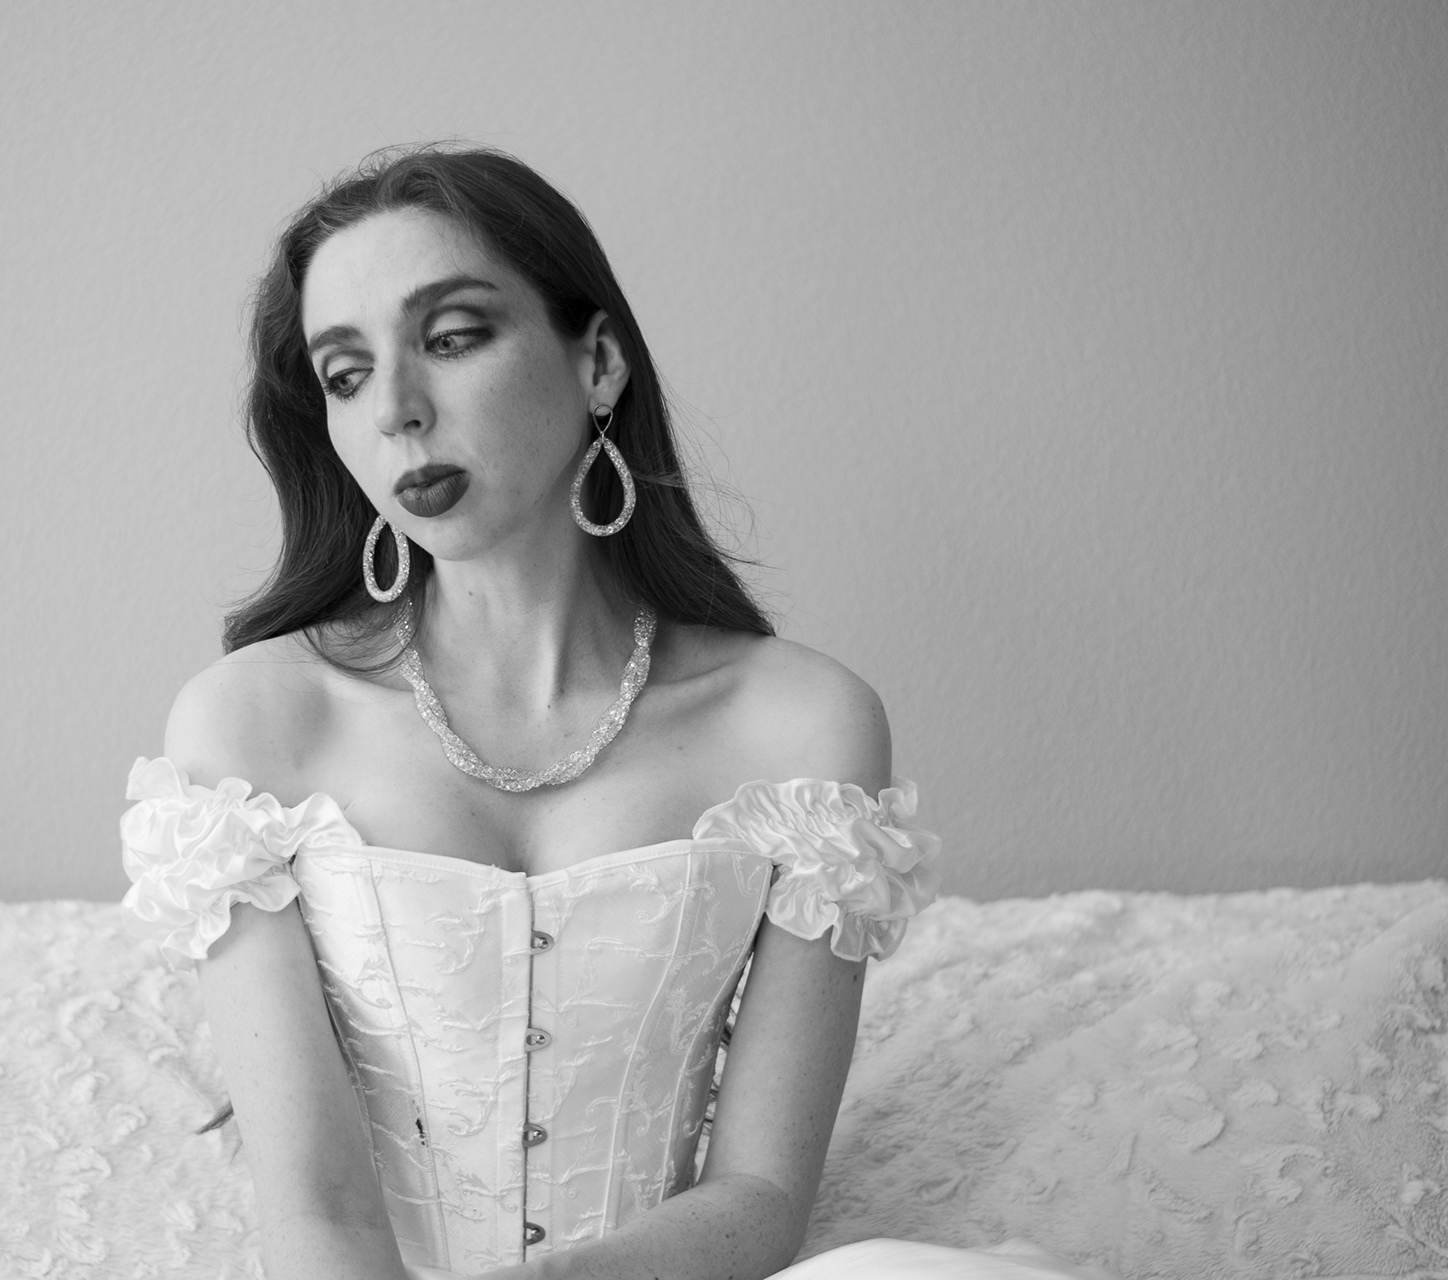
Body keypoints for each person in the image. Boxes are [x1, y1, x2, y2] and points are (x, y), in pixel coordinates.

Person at [119, 146, 1114, 1280]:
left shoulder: (802, 728)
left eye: (452, 337)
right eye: (345, 375)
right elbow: (318, 1205)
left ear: (597, 363)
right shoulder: (252, 726)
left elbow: (760, 1195)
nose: (395, 410)